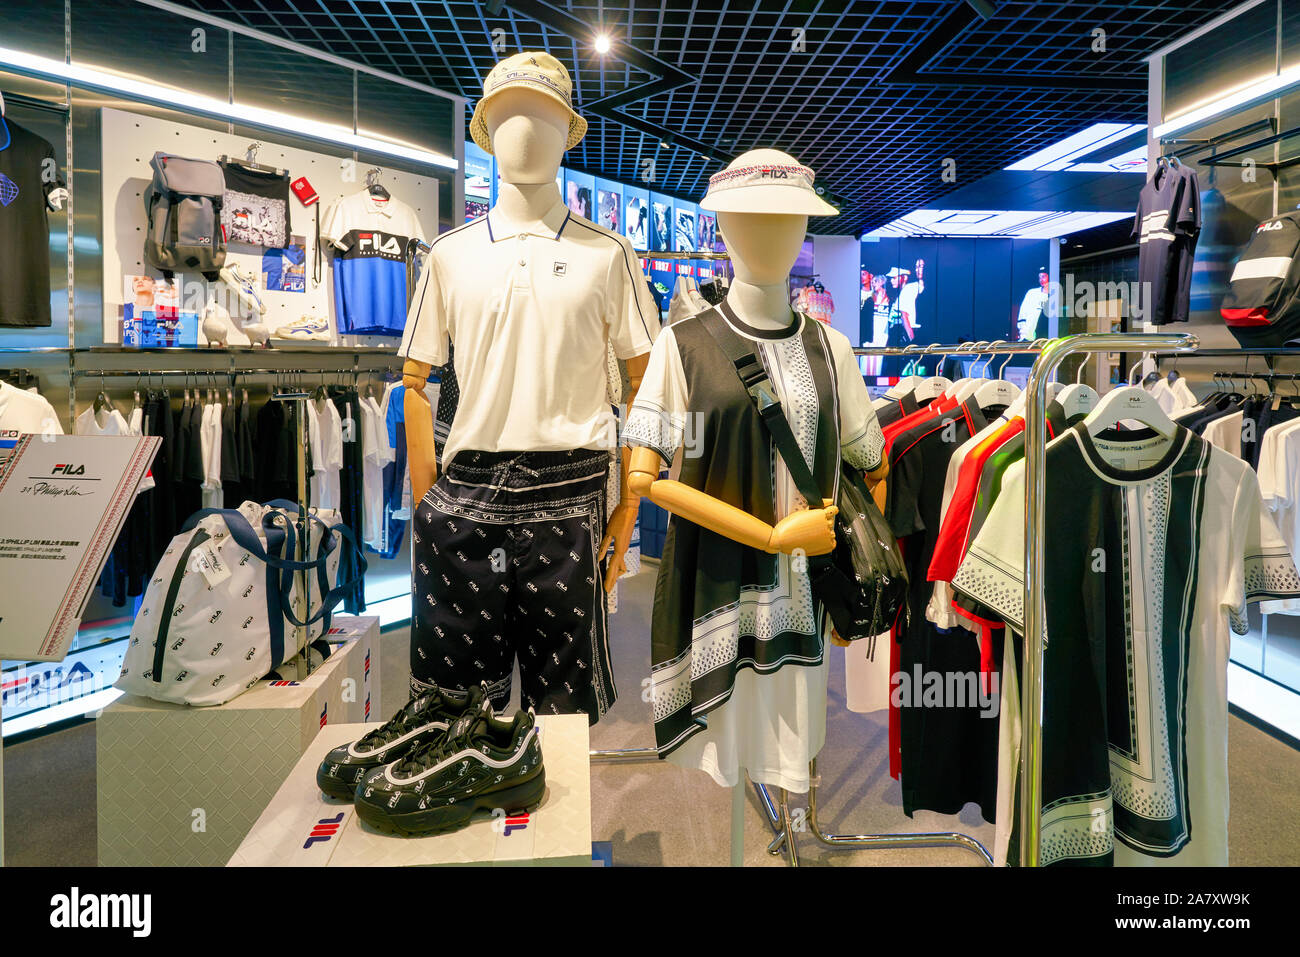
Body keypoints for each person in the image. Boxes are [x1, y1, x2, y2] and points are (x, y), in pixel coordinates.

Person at [1016, 266, 1052, 340]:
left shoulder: (1054, 295)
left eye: (1044, 276)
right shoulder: (1032, 293)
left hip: (1047, 335)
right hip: (1029, 337)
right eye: (1040, 277)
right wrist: (1022, 330)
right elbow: (1023, 311)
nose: (1041, 279)